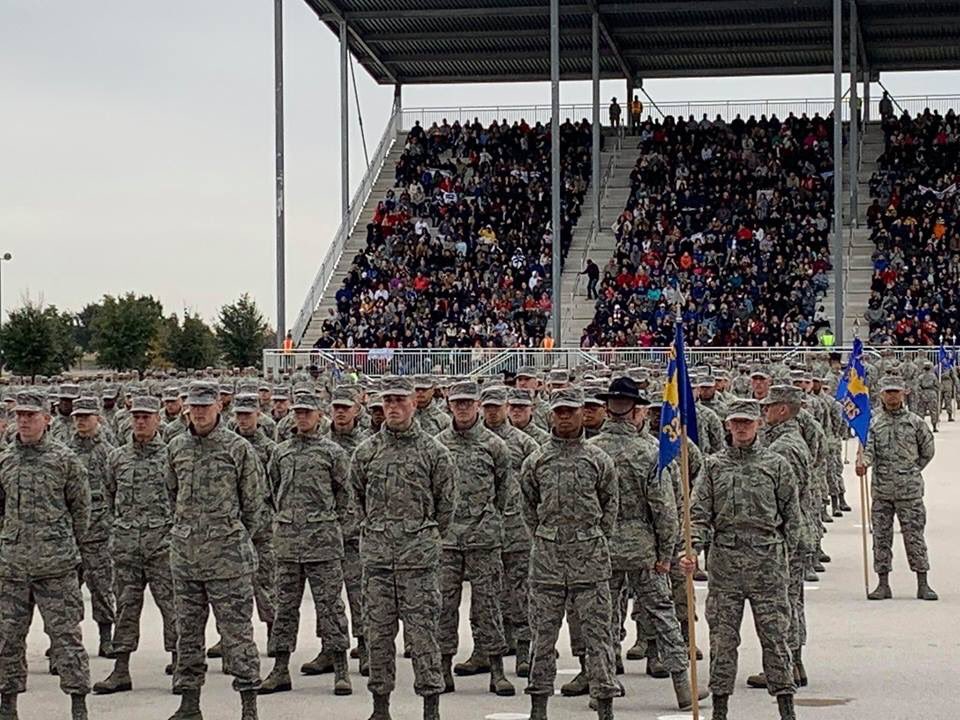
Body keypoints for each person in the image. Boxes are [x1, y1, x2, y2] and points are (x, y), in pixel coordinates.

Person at [680, 399, 801, 720]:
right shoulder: (714, 466)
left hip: (768, 567)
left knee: (776, 639)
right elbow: (699, 514)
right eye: (736, 422)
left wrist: (788, 559)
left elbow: (792, 517)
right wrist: (691, 548)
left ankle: (786, 708)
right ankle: (720, 710)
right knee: (722, 641)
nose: (742, 428)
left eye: (747, 422)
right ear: (727, 425)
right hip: (726, 568)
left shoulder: (776, 465)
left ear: (759, 424)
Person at [589, 377, 705, 711]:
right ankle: (684, 688)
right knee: (663, 617)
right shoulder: (651, 452)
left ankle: (602, 688)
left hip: (603, 548)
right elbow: (665, 510)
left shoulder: (592, 450)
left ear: (609, 410)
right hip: (644, 548)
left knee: (603, 619)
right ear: (637, 412)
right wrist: (666, 554)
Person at [350, 376, 457, 720]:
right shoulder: (366, 451)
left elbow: (446, 506)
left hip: (419, 562)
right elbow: (357, 500)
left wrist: (419, 537)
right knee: (378, 636)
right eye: (388, 401)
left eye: (400, 400)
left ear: (414, 403)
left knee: (424, 636)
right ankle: (380, 707)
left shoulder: (434, 451)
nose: (393, 407)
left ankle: (431, 708)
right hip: (379, 562)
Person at [166, 381, 265, 720]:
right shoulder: (176, 447)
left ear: (219, 407)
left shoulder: (237, 449)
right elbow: (171, 496)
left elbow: (254, 506)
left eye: (205, 406)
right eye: (194, 406)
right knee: (188, 635)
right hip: (186, 560)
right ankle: (189, 704)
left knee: (237, 636)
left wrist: (229, 536)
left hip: (228, 561)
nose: (199, 411)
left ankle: (248, 706)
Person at [520, 387, 619, 720]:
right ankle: (538, 706)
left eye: (571, 411)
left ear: (582, 413)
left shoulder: (598, 459)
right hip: (547, 561)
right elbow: (528, 508)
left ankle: (604, 703)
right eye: (559, 411)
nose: (565, 417)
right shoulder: (536, 459)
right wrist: (548, 536)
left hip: (590, 560)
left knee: (598, 638)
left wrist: (590, 537)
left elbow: (610, 506)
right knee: (543, 638)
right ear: (551, 415)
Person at [0, 389, 92, 720]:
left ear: (47, 418)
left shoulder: (65, 460)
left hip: (57, 568)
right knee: (7, 641)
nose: (23, 421)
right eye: (19, 415)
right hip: (13, 569)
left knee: (67, 640)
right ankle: (7, 706)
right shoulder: (5, 460)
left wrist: (67, 549)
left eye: (31, 415)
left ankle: (78, 706)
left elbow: (81, 511)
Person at [259, 391, 354, 696]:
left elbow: (345, 495)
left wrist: (328, 523)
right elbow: (272, 491)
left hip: (323, 543)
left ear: (319, 415)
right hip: (287, 543)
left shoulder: (332, 452)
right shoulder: (281, 452)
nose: (301, 417)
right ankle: (280, 669)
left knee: (331, 607)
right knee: (284, 608)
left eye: (307, 412)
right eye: (298, 412)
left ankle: (340, 669)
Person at [95, 395, 179, 695]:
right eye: (136, 416)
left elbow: (178, 498)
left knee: (173, 609)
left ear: (158, 419)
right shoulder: (117, 457)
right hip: (127, 548)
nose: (140, 421)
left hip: (163, 547)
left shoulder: (171, 455)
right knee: (126, 609)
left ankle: (180, 665)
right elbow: (109, 496)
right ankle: (120, 670)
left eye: (146, 416)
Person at [436, 381, 514, 696]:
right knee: (443, 605)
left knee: (489, 605)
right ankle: (442, 668)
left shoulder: (495, 446)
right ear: (450, 406)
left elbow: (505, 492)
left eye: (468, 403)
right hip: (448, 541)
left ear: (478, 405)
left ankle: (496, 670)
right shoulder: (438, 445)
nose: (463, 408)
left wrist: (489, 522)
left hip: (484, 539)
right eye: (458, 403)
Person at [745, 386, 815, 691]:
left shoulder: (784, 447)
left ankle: (785, 665)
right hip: (797, 531)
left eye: (769, 407)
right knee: (792, 599)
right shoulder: (788, 440)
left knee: (783, 602)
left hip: (787, 533)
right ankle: (795, 664)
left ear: (783, 410)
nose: (765, 412)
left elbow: (782, 497)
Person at [856, 376, 937, 601]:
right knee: (881, 538)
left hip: (909, 492)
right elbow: (868, 449)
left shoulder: (916, 422)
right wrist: (863, 463)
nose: (892, 396)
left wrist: (911, 470)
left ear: (904, 393)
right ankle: (883, 584)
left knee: (914, 538)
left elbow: (928, 451)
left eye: (896, 392)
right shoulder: (873, 423)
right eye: (888, 392)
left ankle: (923, 583)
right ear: (881, 394)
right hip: (882, 491)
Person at [480, 385, 540, 676]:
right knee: (486, 595)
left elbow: (537, 488)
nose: (492, 411)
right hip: (481, 532)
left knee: (520, 593)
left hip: (517, 529)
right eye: (487, 406)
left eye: (497, 406)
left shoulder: (524, 443)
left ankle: (524, 651)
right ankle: (485, 650)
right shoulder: (473, 440)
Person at [64, 397, 117, 661]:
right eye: (77, 417)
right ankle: (64, 641)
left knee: (101, 586)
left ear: (98, 418)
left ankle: (106, 638)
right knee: (67, 591)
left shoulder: (109, 452)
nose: (81, 421)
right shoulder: (64, 452)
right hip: (70, 533)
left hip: (99, 531)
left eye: (86, 416)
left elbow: (115, 491)